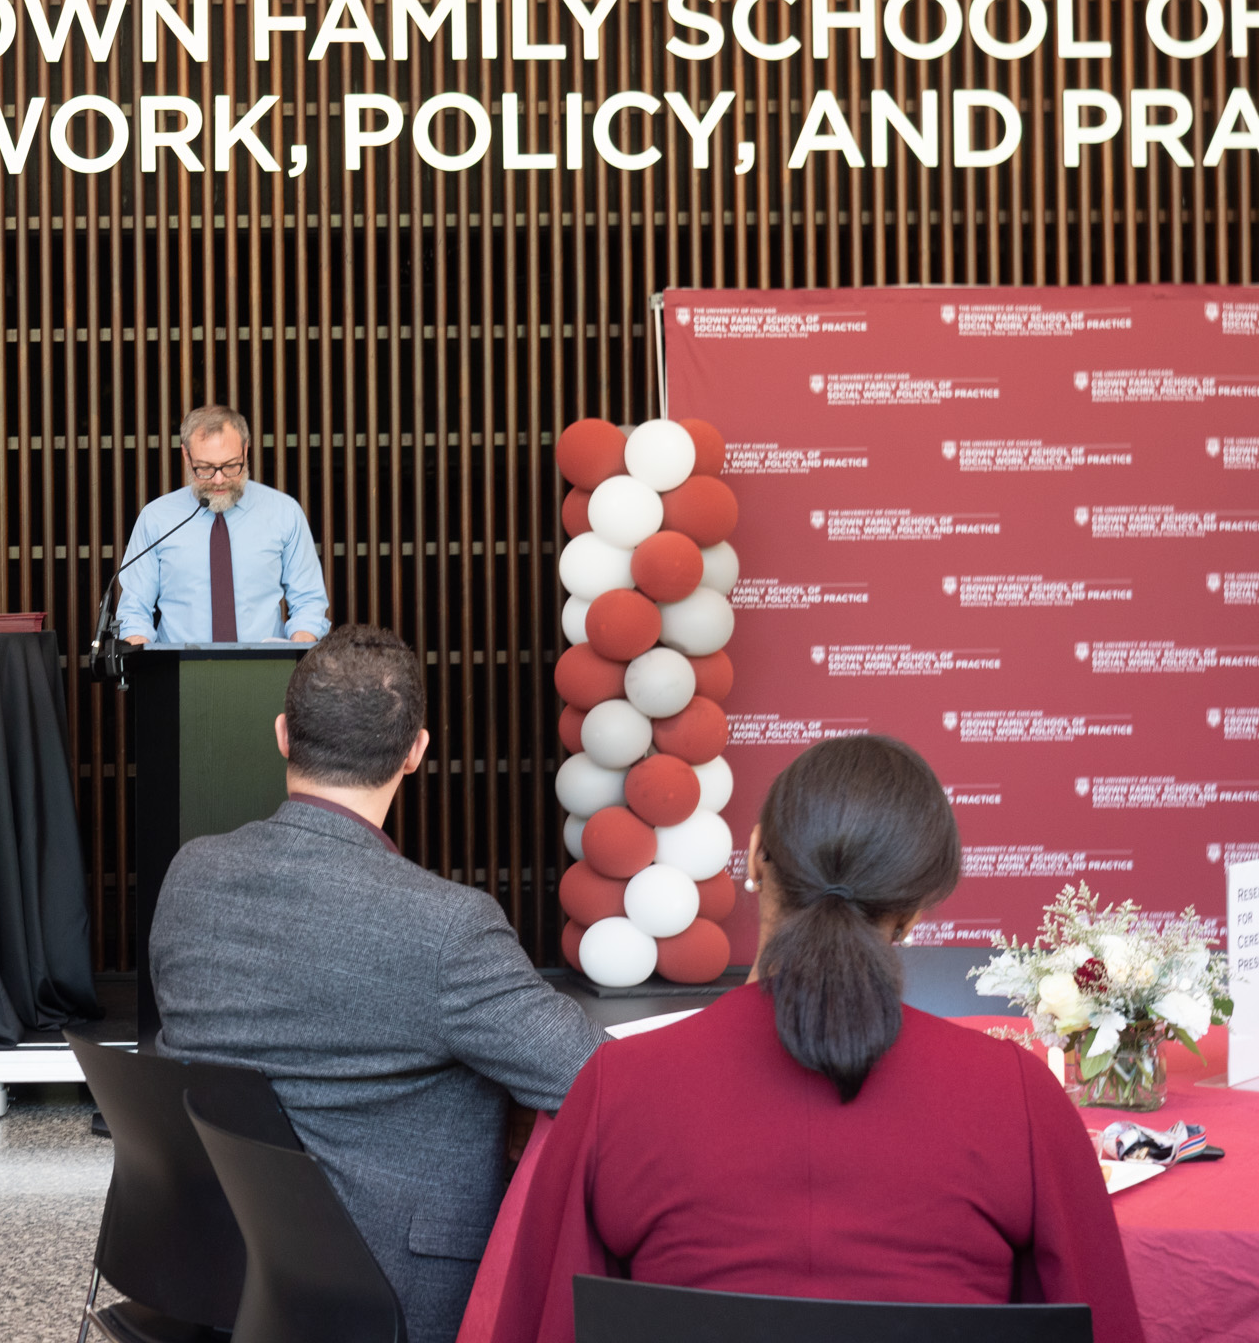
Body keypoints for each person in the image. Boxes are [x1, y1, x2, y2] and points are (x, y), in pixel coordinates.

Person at [461, 734, 1145, 1343]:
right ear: (912, 914)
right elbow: (1097, 1323)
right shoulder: (1015, 1096)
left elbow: (545, 1325)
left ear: (756, 855)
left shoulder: (618, 1088)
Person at [150, 626, 607, 1343]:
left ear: (281, 735)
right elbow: (597, 1082)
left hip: (214, 1273)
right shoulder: (445, 928)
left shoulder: (191, 877)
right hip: (394, 1293)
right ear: (417, 751)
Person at [117, 404, 330, 645]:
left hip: (266, 669)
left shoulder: (284, 513)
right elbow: (135, 610)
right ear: (186, 455)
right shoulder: (156, 518)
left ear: (246, 449)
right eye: (205, 468)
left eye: (231, 466)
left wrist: (295, 651)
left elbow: (308, 601)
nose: (219, 479)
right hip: (178, 671)